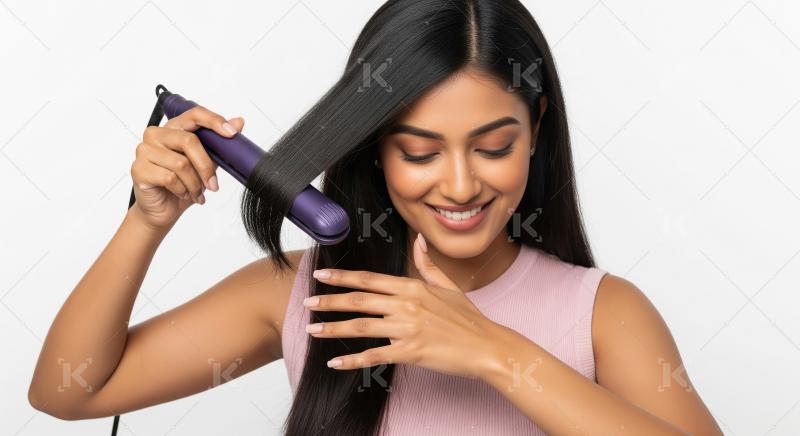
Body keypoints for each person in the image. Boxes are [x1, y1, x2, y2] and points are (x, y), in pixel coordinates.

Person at [29, 0, 723, 434]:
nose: (459, 184)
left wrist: (495, 353)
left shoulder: (604, 314)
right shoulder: (303, 295)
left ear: (536, 128)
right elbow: (68, 391)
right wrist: (146, 223)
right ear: (375, 147)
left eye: (493, 146)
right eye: (420, 151)